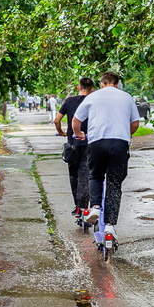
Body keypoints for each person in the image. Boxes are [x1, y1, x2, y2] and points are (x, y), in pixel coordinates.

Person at [72, 72, 140, 240]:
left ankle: (95, 207)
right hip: (120, 143)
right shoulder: (127, 97)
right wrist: (126, 134)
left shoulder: (93, 97)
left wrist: (79, 133)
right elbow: (135, 123)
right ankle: (110, 226)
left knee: (95, 175)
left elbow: (76, 120)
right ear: (116, 84)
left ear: (102, 84)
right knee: (114, 184)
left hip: (97, 143)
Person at [54, 78, 94, 217]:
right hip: (90, 142)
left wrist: (60, 131)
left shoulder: (69, 101)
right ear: (92, 89)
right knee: (86, 174)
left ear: (78, 87)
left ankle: (78, 206)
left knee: (73, 174)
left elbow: (56, 120)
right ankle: (83, 206)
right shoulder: (93, 101)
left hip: (73, 144)